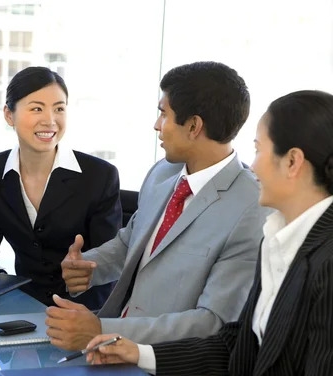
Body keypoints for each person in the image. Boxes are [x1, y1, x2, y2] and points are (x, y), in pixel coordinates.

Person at [85, 89, 333, 376]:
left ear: (293, 162)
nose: (252, 167)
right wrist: (139, 352)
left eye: (258, 150)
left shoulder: (326, 260)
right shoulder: (277, 237)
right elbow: (238, 343)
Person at [47, 61, 270, 351]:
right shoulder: (162, 173)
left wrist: (102, 329)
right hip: (109, 347)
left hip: (168, 367)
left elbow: (213, 323)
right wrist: (91, 267)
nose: (156, 125)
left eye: (163, 114)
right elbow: (131, 243)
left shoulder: (252, 207)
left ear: (193, 126)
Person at [0, 66, 121, 308]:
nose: (50, 121)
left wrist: (85, 270)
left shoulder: (99, 175)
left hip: (85, 308)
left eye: (59, 109)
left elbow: (111, 256)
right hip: (22, 302)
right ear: (9, 115)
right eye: (36, 108)